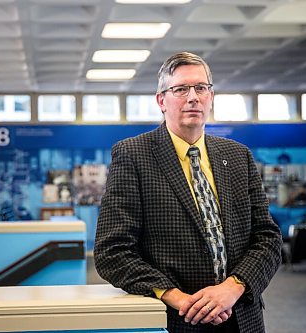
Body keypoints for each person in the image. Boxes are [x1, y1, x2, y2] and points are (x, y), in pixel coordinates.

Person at [94, 52, 282, 333]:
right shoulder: (133, 155)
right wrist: (179, 299)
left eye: (201, 88)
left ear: (211, 96)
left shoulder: (238, 156)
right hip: (178, 320)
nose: (193, 97)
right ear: (162, 100)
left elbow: (268, 238)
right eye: (181, 89)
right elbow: (112, 252)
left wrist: (233, 287)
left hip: (242, 318)